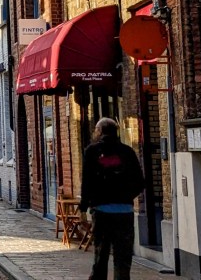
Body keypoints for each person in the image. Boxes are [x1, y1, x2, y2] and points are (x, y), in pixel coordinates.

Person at [78, 118, 145, 280]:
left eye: (96, 129)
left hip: (101, 211)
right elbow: (140, 182)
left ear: (100, 131)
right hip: (124, 212)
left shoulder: (91, 151)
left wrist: (84, 207)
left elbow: (87, 181)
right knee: (123, 256)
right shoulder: (127, 152)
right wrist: (126, 196)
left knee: (101, 253)